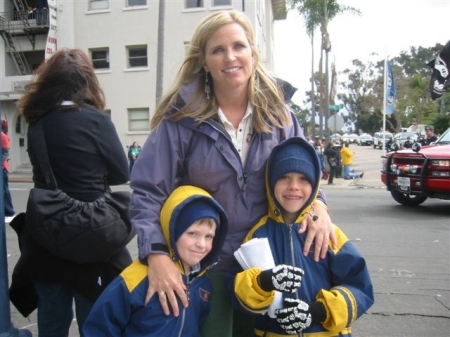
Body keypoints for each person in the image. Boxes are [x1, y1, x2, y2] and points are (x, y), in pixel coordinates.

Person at [128, 10, 337, 337]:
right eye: (217, 50)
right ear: (203, 61)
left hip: (268, 264)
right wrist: (156, 255)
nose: (230, 57)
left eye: (238, 46)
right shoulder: (181, 119)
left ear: (253, 55)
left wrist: (320, 206)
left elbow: (303, 177)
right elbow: (147, 193)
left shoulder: (281, 118)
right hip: (205, 269)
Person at [13, 48, 132, 336]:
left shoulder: (37, 122)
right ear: (87, 82)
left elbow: (41, 173)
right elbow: (121, 173)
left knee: (53, 321)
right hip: (93, 236)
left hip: (48, 238)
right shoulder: (98, 120)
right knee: (94, 321)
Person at [231, 137, 374, 336]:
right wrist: (265, 281)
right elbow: (241, 299)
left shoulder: (330, 234)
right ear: (270, 181)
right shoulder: (257, 235)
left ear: (315, 184)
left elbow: (360, 288)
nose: (294, 186)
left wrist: (317, 312)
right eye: (284, 177)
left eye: (304, 179)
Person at [83, 185, 228, 336]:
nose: (201, 244)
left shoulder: (202, 281)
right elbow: (100, 326)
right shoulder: (136, 279)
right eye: (192, 233)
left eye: (209, 236)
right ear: (173, 231)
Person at [2, 120, 15, 223]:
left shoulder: (2, 136)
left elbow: (5, 153)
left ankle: (9, 212)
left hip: (2, 168)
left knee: (5, 191)